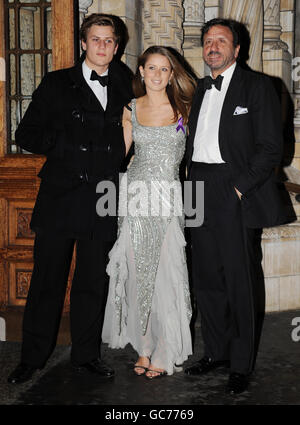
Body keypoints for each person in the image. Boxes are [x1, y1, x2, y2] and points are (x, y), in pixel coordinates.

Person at [8, 13, 133, 384]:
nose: (103, 47)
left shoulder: (128, 81)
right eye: (96, 39)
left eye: (109, 41)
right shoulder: (56, 83)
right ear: (82, 43)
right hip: (61, 195)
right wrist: (67, 149)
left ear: (117, 45)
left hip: (103, 196)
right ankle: (31, 358)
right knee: (47, 280)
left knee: (93, 282)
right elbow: (26, 133)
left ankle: (86, 356)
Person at [184, 18, 287, 394]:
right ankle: (217, 352)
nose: (213, 46)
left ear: (237, 48)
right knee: (207, 277)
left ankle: (241, 363)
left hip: (234, 188)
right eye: (208, 41)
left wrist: (240, 189)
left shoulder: (259, 86)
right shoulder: (197, 88)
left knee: (240, 280)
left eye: (221, 41)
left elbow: (270, 148)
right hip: (196, 186)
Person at [102, 46, 196, 378]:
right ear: (140, 71)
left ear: (172, 74)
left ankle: (166, 350)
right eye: (151, 68)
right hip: (135, 198)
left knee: (165, 275)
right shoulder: (130, 108)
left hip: (169, 199)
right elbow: (119, 155)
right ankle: (143, 347)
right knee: (136, 273)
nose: (156, 75)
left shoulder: (185, 109)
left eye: (163, 69)